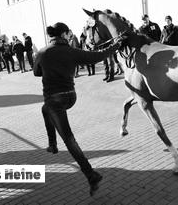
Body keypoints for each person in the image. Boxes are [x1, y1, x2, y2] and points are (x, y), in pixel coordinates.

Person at [33, 22, 126, 196]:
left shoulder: (43, 52)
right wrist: (117, 44)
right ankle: (52, 144)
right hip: (70, 97)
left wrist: (46, 66)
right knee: (44, 110)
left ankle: (91, 175)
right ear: (65, 35)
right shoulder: (72, 51)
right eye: (69, 34)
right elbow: (98, 55)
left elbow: (36, 73)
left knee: (69, 139)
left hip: (55, 99)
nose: (70, 36)